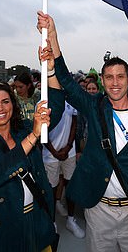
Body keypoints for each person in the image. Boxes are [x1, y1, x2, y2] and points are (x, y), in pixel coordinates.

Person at [37, 11, 128, 252]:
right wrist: (53, 35)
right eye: (109, 77)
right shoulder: (95, 107)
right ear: (103, 82)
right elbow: (67, 82)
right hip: (99, 212)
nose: (114, 82)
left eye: (119, 77)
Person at [0, 83, 62, 251]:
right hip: (3, 228)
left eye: (5, 101)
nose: (0, 108)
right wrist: (33, 136)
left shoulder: (24, 130)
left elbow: (57, 108)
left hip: (37, 218)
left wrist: (51, 70)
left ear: (13, 105)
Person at [42, 99, 85, 239]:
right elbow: (41, 130)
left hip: (69, 152)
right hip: (50, 154)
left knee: (70, 185)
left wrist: (68, 147)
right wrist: (54, 152)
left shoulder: (70, 101)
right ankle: (52, 222)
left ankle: (71, 220)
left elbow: (74, 124)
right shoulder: (43, 102)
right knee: (51, 189)